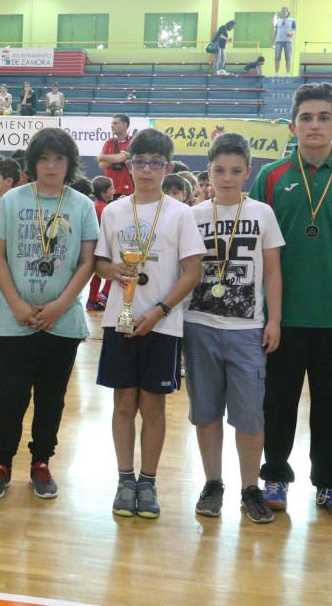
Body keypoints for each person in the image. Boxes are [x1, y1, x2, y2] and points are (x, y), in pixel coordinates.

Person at [249, 82, 332, 518]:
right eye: (306, 117)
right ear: (292, 125)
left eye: (324, 117)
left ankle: (330, 485)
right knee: (278, 403)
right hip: (281, 316)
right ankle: (275, 477)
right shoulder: (270, 177)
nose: (315, 125)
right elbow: (259, 243)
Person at [0, 128, 99, 500]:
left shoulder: (80, 205)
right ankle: (1, 463)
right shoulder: (12, 200)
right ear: (33, 163)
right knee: (10, 396)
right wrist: (14, 302)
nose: (51, 165)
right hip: (15, 319)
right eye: (44, 159)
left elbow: (87, 261)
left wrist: (60, 305)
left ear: (69, 164)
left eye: (59, 159)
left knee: (52, 397)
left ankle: (41, 462)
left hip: (62, 322)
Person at [94, 128, 204, 518]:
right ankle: (126, 480)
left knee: (153, 405)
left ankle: (149, 482)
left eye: (155, 163)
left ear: (167, 167)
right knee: (124, 402)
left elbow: (192, 271)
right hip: (119, 321)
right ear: (130, 164)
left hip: (162, 322)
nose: (146, 170)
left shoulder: (182, 215)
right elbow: (100, 263)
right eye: (140, 162)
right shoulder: (113, 212)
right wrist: (115, 270)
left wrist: (159, 309)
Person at [183, 133, 284, 523]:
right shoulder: (192, 216)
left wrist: (273, 319)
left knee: (249, 416)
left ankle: (250, 487)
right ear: (208, 171)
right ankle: (213, 483)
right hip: (199, 324)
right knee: (205, 412)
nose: (227, 178)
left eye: (235, 171)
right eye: (219, 170)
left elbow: (273, 271)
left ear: (248, 172)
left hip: (247, 329)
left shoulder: (262, 213)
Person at [86, 175, 114, 312]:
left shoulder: (96, 205)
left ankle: (92, 302)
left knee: (97, 275)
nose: (114, 191)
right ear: (103, 192)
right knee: (114, 270)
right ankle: (104, 294)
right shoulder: (104, 209)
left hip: (95, 247)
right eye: (111, 188)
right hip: (102, 247)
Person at [97, 114, 135, 198]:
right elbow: (101, 164)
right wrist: (117, 160)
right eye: (111, 123)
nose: (112, 126)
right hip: (111, 190)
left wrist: (102, 157)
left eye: (115, 123)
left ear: (125, 125)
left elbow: (120, 158)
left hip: (128, 189)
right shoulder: (109, 143)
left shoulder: (132, 141)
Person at [272, 6, 297, 76]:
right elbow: (275, 31)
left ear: (287, 12)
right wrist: (273, 42)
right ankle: (276, 73)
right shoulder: (278, 21)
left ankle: (287, 74)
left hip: (288, 41)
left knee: (288, 58)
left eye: (284, 11)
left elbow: (294, 30)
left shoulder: (292, 20)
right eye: (282, 11)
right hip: (278, 41)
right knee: (277, 58)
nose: (283, 12)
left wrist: (291, 33)